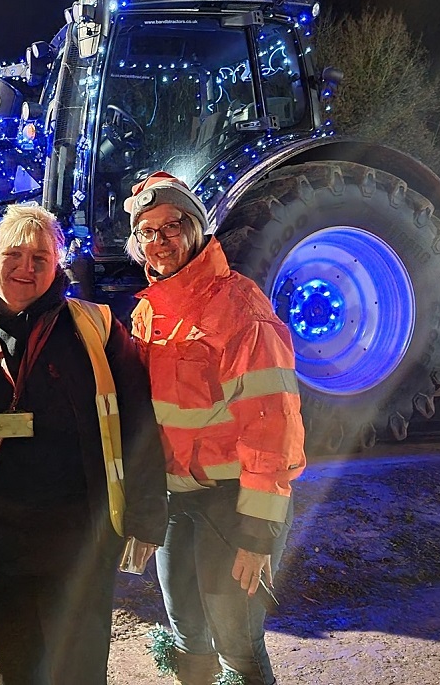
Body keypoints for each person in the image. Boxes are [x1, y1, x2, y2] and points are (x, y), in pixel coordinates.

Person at [0, 204, 168, 685]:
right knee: (18, 670)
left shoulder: (96, 328)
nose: (25, 268)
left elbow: (139, 423)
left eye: (40, 258)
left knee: (79, 672)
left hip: (80, 542)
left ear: (57, 265)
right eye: (13, 254)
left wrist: (144, 517)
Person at [124, 172, 306, 685]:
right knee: (186, 632)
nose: (159, 241)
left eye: (171, 226)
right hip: (177, 501)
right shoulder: (148, 313)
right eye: (147, 232)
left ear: (197, 228)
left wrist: (257, 531)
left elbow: (273, 424)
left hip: (235, 504)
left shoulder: (240, 307)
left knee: (237, 645)